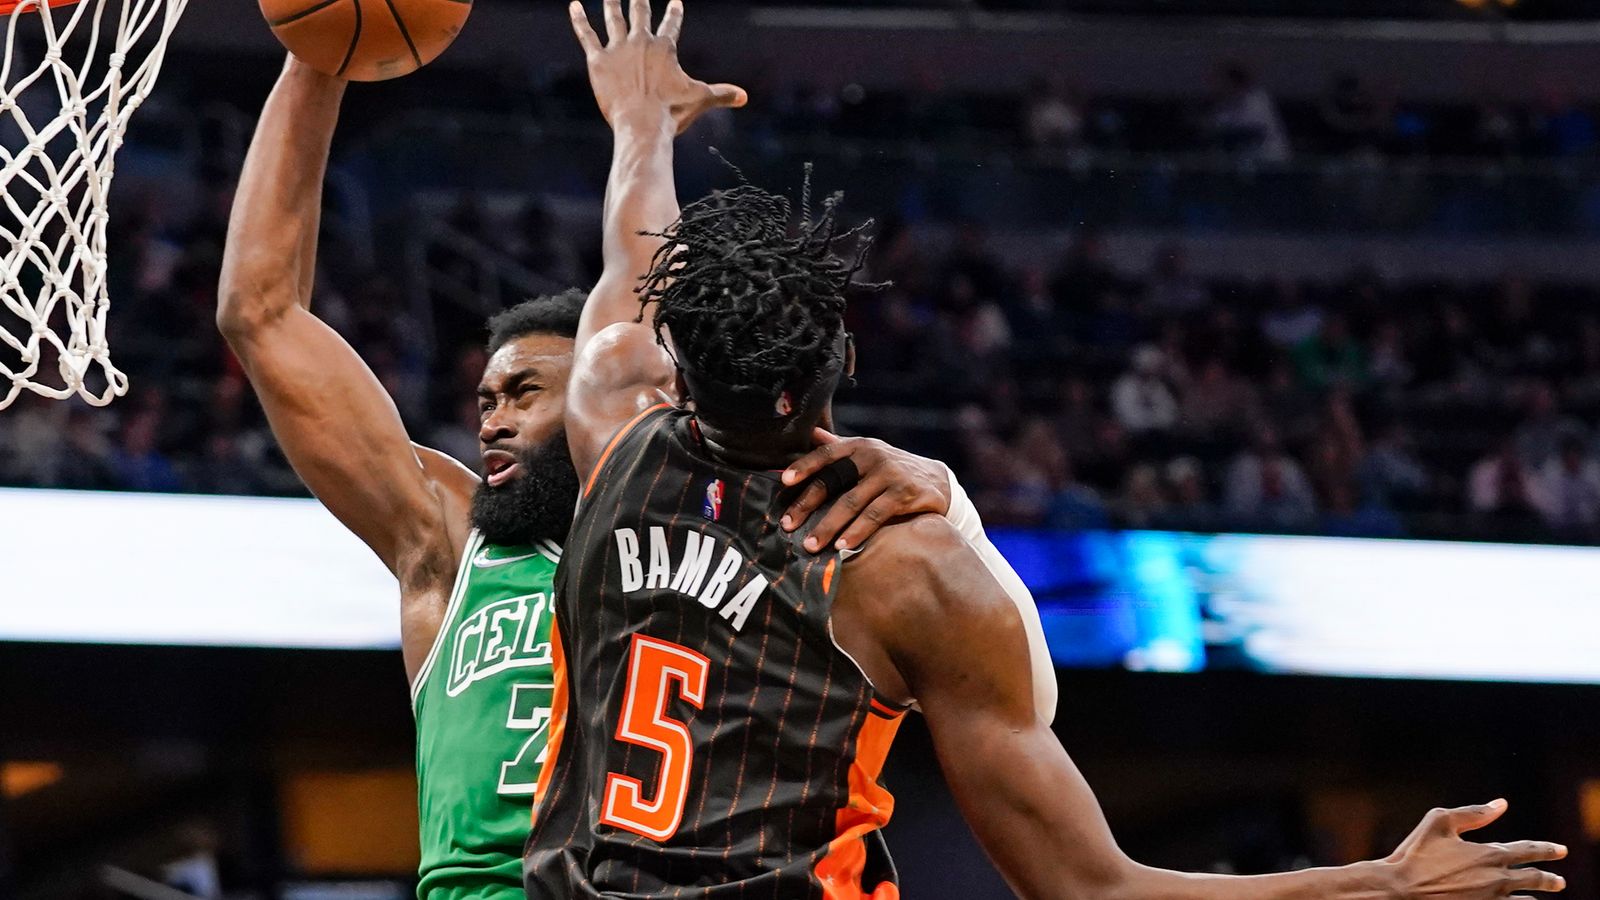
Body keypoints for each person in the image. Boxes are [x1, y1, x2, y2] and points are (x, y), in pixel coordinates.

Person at [526, 4, 1568, 896]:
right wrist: (1378, 881)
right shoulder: (906, 572)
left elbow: (636, 252)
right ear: (839, 356)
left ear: (675, 357)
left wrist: (639, 123)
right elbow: (1089, 884)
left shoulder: (613, 415)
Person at [216, 46, 1018, 900]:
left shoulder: (747, 533)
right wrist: (319, 57)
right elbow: (261, 315)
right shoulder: (449, 543)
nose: (492, 417)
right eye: (484, 397)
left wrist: (943, 490)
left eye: (526, 392)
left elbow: (954, 665)